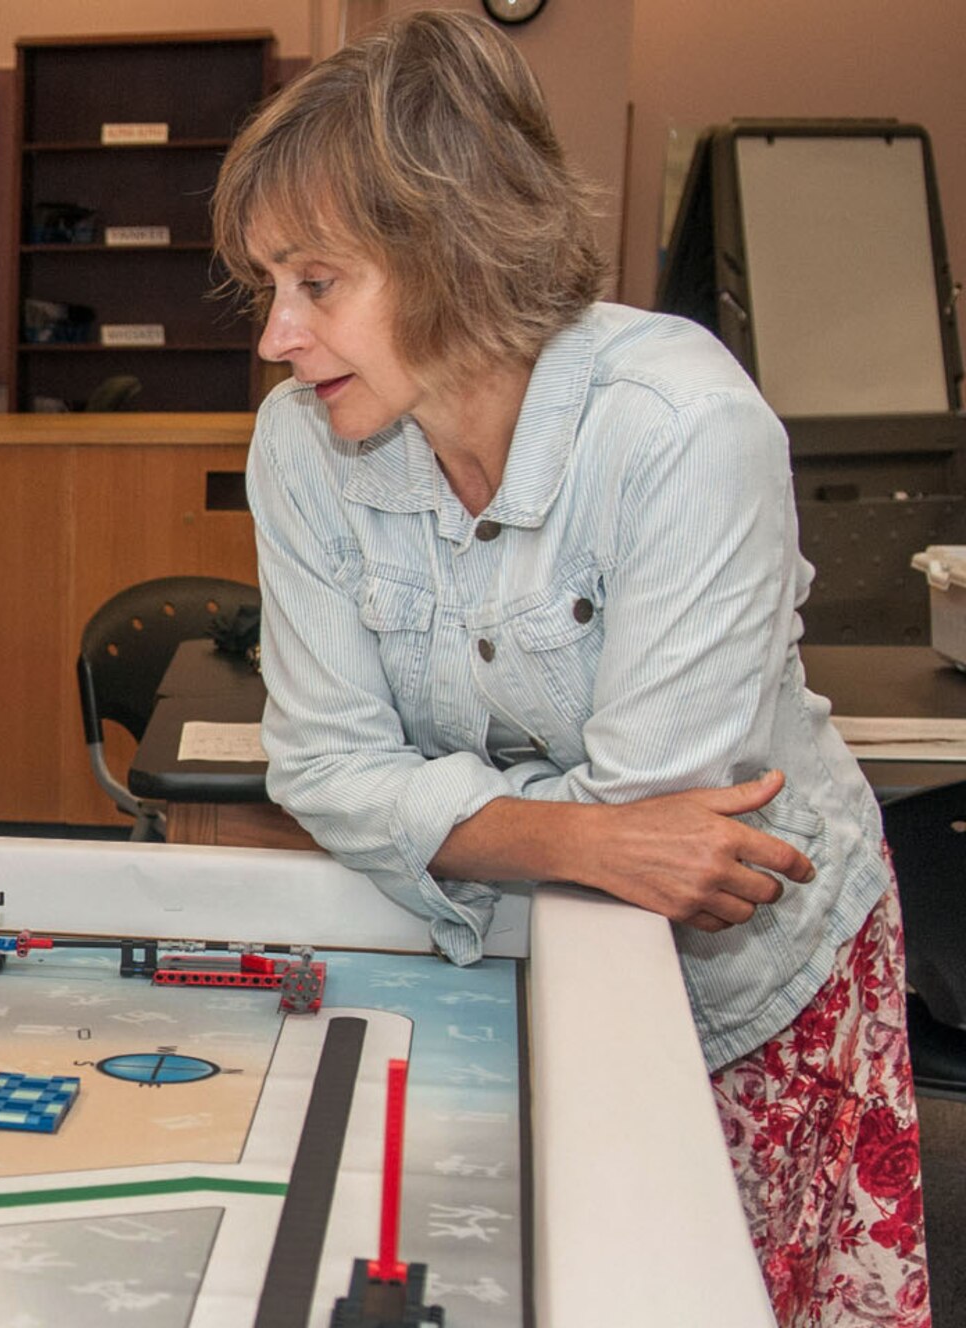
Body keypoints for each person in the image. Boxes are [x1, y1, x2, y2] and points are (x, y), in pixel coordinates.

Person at [212, 12, 927, 1326]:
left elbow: (667, 822)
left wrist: (450, 821)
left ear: (455, 253)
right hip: (510, 971)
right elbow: (322, 766)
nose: (276, 335)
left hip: (753, 989)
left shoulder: (681, 428)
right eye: (269, 285)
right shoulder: (300, 443)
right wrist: (584, 838)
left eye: (317, 283)